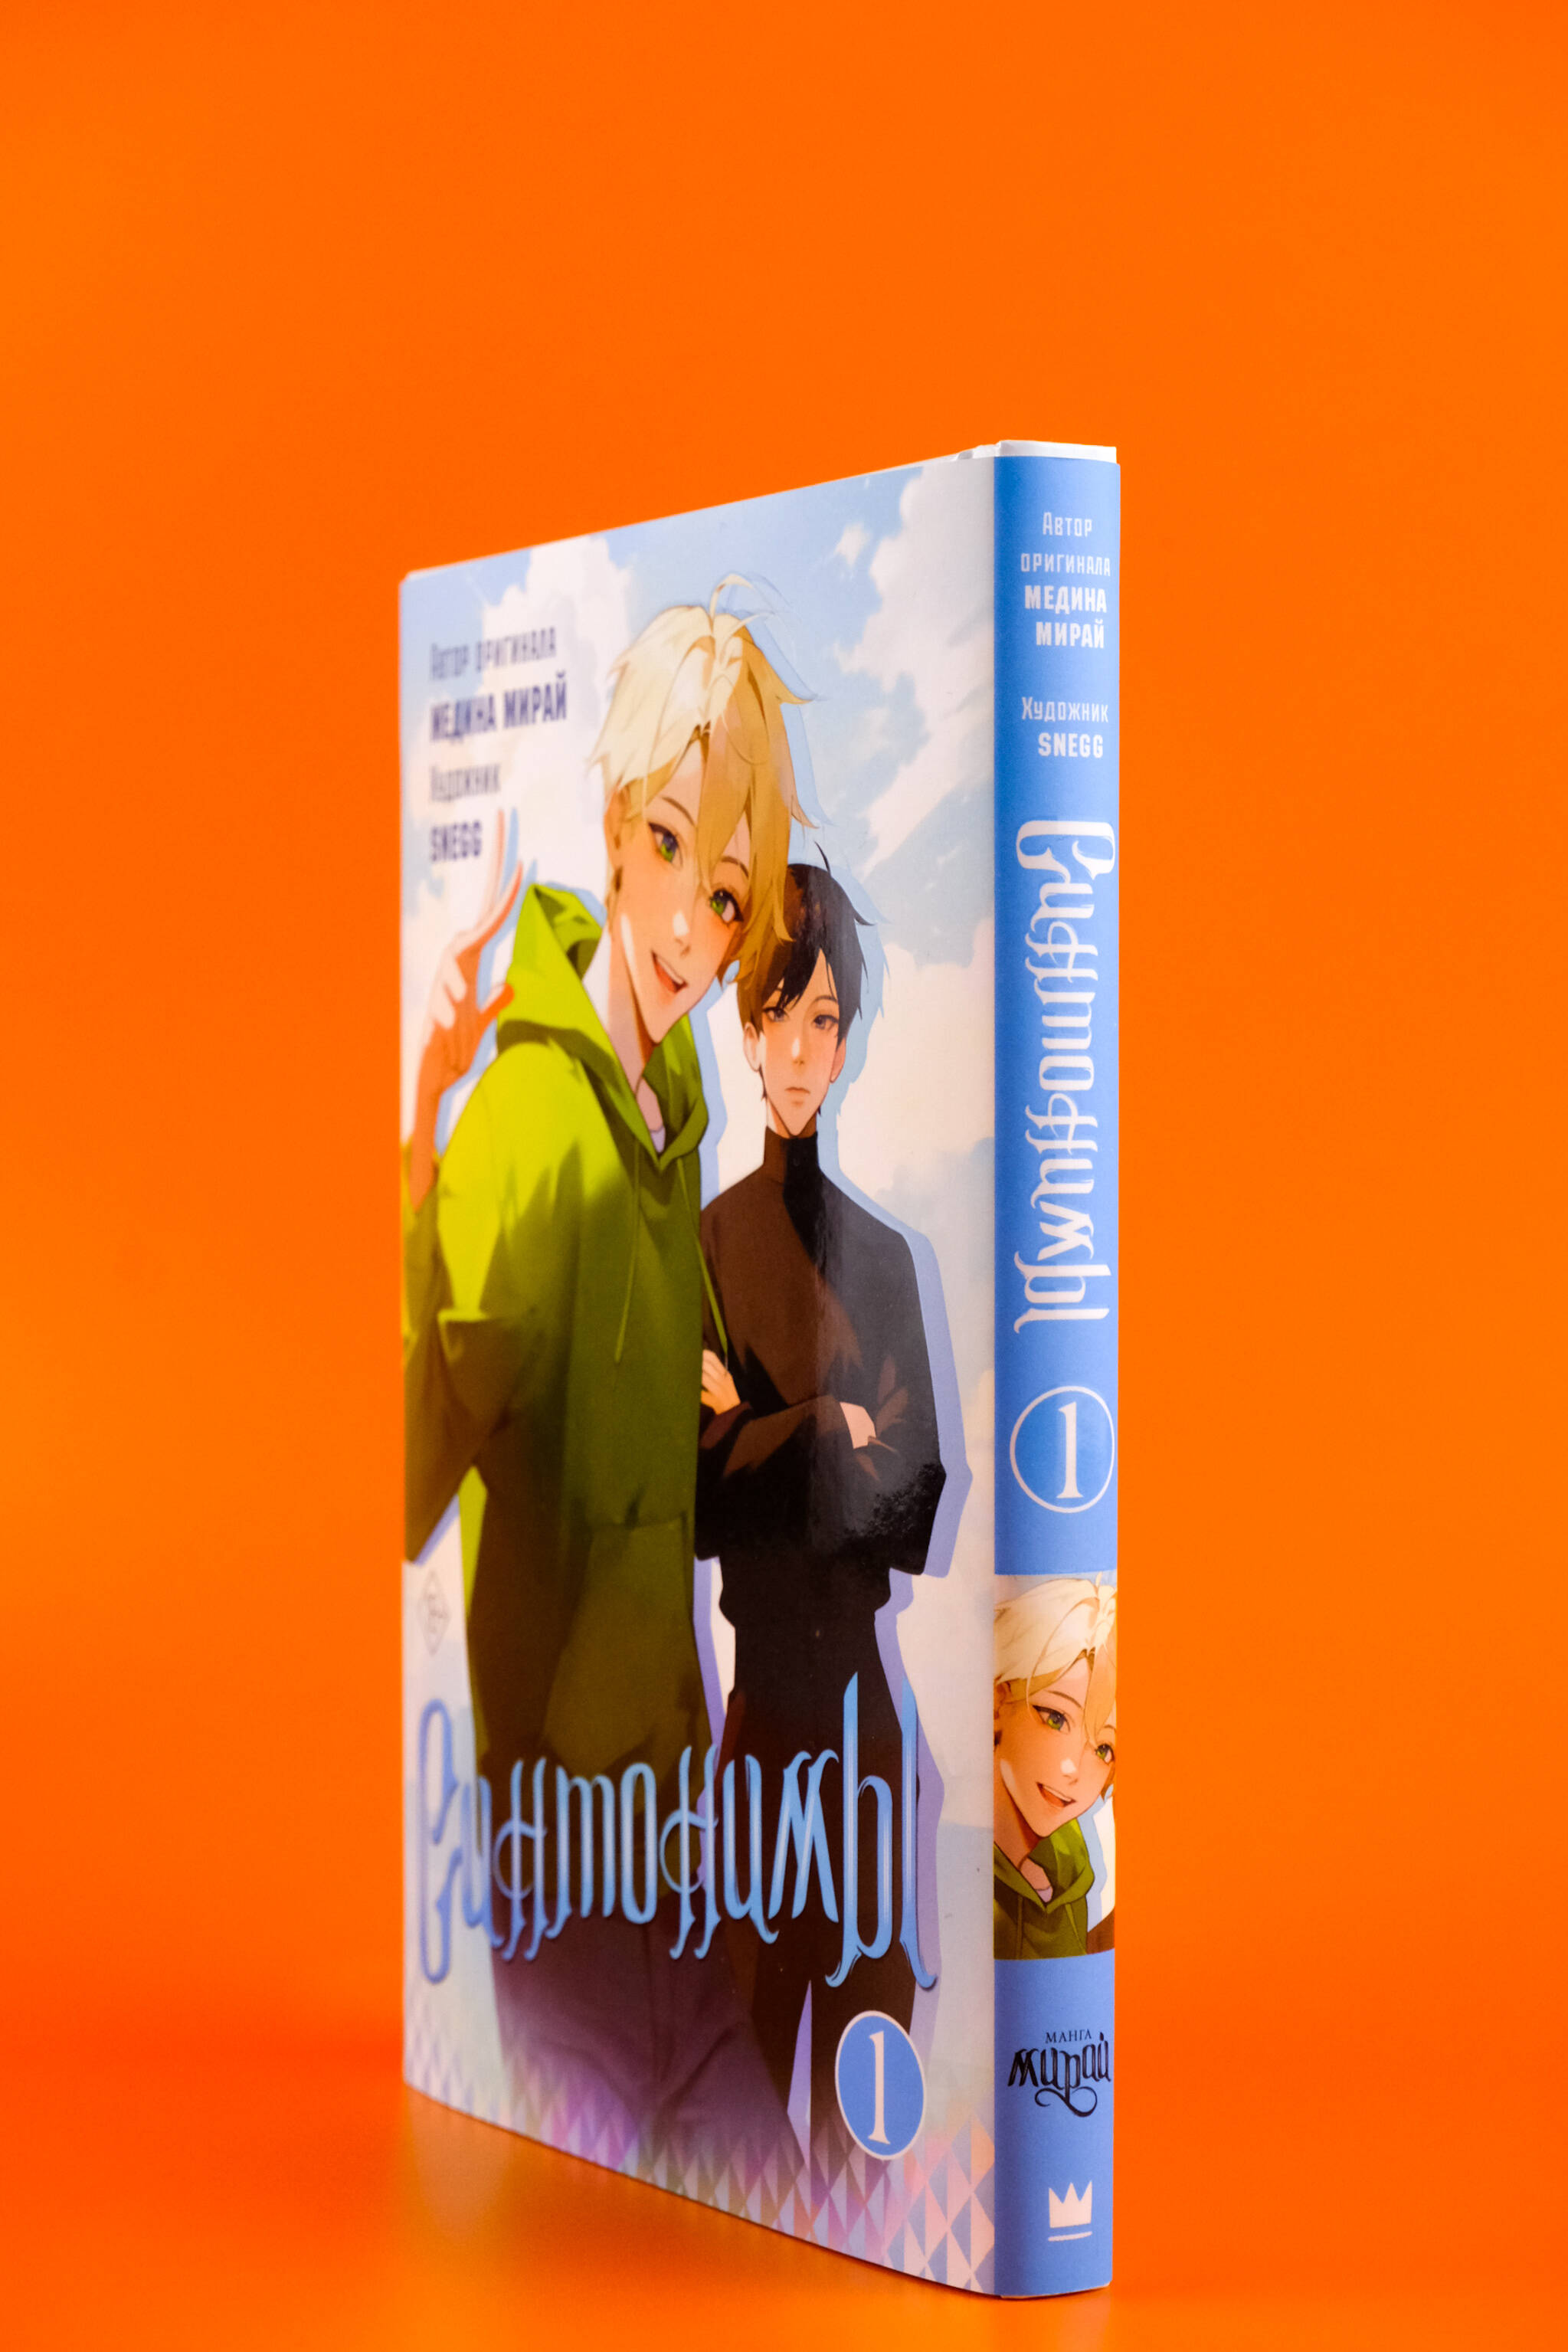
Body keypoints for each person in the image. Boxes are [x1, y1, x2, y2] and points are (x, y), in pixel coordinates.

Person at [403, 589, 804, 2166]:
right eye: (668, 849)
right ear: (617, 824)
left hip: (678, 1841)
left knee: (764, 2188)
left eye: (729, 894)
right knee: (582, 2227)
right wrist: (422, 1128)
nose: (692, 929)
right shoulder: (526, 1128)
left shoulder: (675, 1123)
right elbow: (403, 1468)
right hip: (556, 1857)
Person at [696, 862, 945, 2151]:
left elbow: (917, 1503)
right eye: (777, 1014)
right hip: (758, 1747)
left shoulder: (885, 1261)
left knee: (862, 2095)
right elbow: (693, 1501)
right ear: (745, 1031)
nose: (799, 1048)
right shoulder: (702, 1245)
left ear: (844, 1043)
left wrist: (756, 1428)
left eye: (824, 1018)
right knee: (743, 2085)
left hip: (864, 1743)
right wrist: (836, 1426)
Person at [992, 1577, 1117, 1961]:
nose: (1073, 1770)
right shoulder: (950, 1854)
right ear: (998, 1702)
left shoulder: (1075, 1877)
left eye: (1103, 1750)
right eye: (1056, 1719)